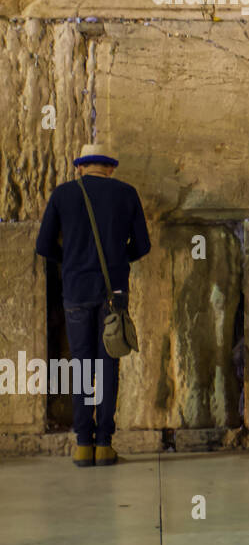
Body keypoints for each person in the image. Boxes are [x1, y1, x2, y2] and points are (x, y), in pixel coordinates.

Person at [35, 143, 151, 468]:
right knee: (108, 367)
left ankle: (83, 445)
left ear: (81, 168)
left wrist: (70, 262)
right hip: (113, 294)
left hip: (75, 291)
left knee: (83, 367)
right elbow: (143, 245)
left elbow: (44, 245)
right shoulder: (126, 193)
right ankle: (104, 445)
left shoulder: (63, 194)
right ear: (110, 168)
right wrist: (117, 264)